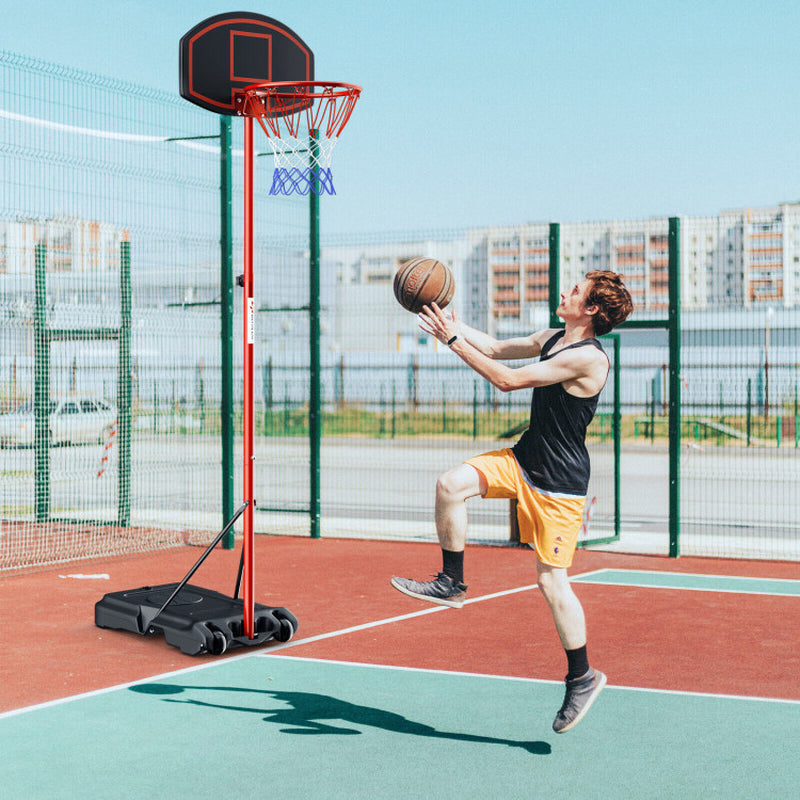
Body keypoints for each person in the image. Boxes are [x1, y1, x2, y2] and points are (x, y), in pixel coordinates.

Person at [391, 270, 633, 734]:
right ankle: (452, 582)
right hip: (523, 460)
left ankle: (581, 676)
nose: (565, 292)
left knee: (552, 582)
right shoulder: (554, 337)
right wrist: (452, 325)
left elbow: (506, 379)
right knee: (450, 485)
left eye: (576, 291)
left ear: (592, 310)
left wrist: (453, 342)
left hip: (558, 487)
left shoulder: (588, 359)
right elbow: (499, 348)